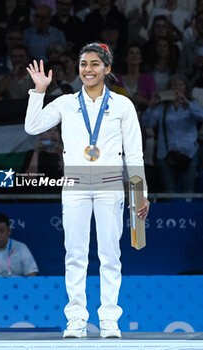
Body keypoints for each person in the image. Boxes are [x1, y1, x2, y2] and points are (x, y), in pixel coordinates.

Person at [24, 43, 149, 338]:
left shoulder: (122, 105)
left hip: (109, 185)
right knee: (75, 254)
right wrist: (39, 91)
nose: (88, 69)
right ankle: (76, 320)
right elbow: (32, 127)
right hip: (76, 185)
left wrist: (139, 193)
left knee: (110, 254)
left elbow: (134, 154)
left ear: (106, 69)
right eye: (83, 64)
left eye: (94, 64)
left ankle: (108, 320)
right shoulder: (66, 102)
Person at [142, 74, 203, 193]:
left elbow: (201, 117)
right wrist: (152, 104)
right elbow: (146, 122)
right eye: (174, 84)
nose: (177, 87)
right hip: (166, 155)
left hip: (189, 153)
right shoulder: (162, 107)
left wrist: (186, 102)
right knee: (169, 192)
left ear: (186, 87)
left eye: (180, 84)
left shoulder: (192, 105)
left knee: (188, 192)